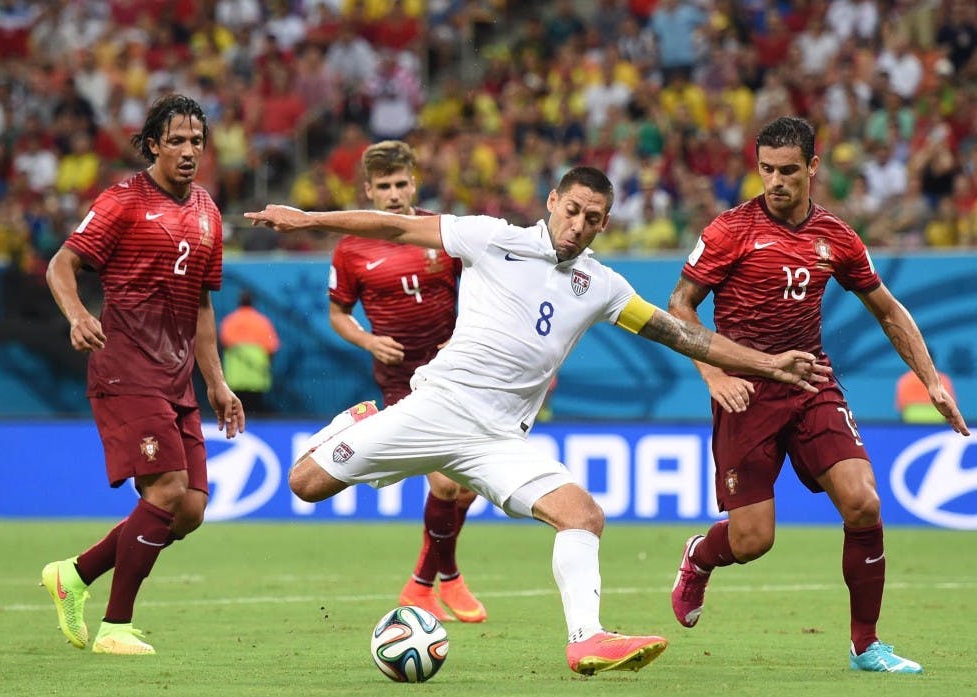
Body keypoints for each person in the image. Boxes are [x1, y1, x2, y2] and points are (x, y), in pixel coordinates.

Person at [244, 165, 831, 675]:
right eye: (572, 210)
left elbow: (681, 334)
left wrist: (766, 363)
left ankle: (587, 640)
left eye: (593, 218)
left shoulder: (602, 286)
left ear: (604, 224)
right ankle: (360, 417)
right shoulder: (489, 238)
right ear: (552, 201)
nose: (578, 225)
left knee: (582, 515)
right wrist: (306, 219)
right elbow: (397, 226)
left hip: (500, 440)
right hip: (435, 407)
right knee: (305, 484)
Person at [666, 116, 970, 675]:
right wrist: (713, 375)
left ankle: (866, 644)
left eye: (787, 171)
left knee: (865, 502)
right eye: (765, 170)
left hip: (810, 381)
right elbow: (680, 305)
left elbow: (888, 310)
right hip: (746, 390)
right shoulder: (730, 230)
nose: (775, 181)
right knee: (753, 540)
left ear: (813, 166)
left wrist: (931, 381)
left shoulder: (837, 237)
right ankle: (699, 557)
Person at [41, 94, 244, 656]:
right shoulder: (123, 200)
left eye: (196, 141)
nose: (187, 151)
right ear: (153, 144)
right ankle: (115, 627)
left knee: (193, 509)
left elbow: (203, 305)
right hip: (126, 368)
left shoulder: (207, 209)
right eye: (176, 140)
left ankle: (74, 575)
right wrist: (80, 314)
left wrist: (218, 384)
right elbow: (62, 263)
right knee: (168, 490)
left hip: (177, 380)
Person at [329, 139, 485, 623]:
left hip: (456, 371)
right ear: (369, 192)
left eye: (401, 184)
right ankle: (433, 582)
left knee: (470, 485)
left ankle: (431, 582)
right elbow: (337, 313)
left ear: (413, 183)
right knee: (444, 484)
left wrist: (460, 338)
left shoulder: (440, 232)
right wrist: (369, 341)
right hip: (403, 379)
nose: (394, 194)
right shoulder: (351, 247)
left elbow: (482, 289)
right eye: (384, 187)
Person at [219, 290, 280, 415]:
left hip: (235, 375)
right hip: (256, 375)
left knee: (236, 407)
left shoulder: (230, 320)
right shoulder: (262, 322)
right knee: (255, 409)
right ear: (254, 303)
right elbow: (272, 348)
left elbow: (223, 343)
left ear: (238, 302)